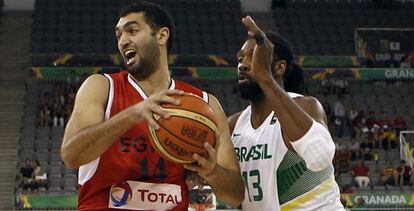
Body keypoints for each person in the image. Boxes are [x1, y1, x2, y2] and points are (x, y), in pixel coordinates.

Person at [60, 2, 244, 210]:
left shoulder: (204, 104)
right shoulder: (101, 86)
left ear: (162, 36)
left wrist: (212, 172)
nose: (123, 41)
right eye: (119, 35)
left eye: (132, 31)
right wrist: (132, 114)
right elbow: (70, 155)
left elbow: (235, 195)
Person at [228, 16, 343, 210]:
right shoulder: (234, 124)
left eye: (253, 56)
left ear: (279, 67)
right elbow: (236, 198)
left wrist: (265, 77)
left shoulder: (305, 106)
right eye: (240, 58)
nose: (243, 64)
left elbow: (319, 156)